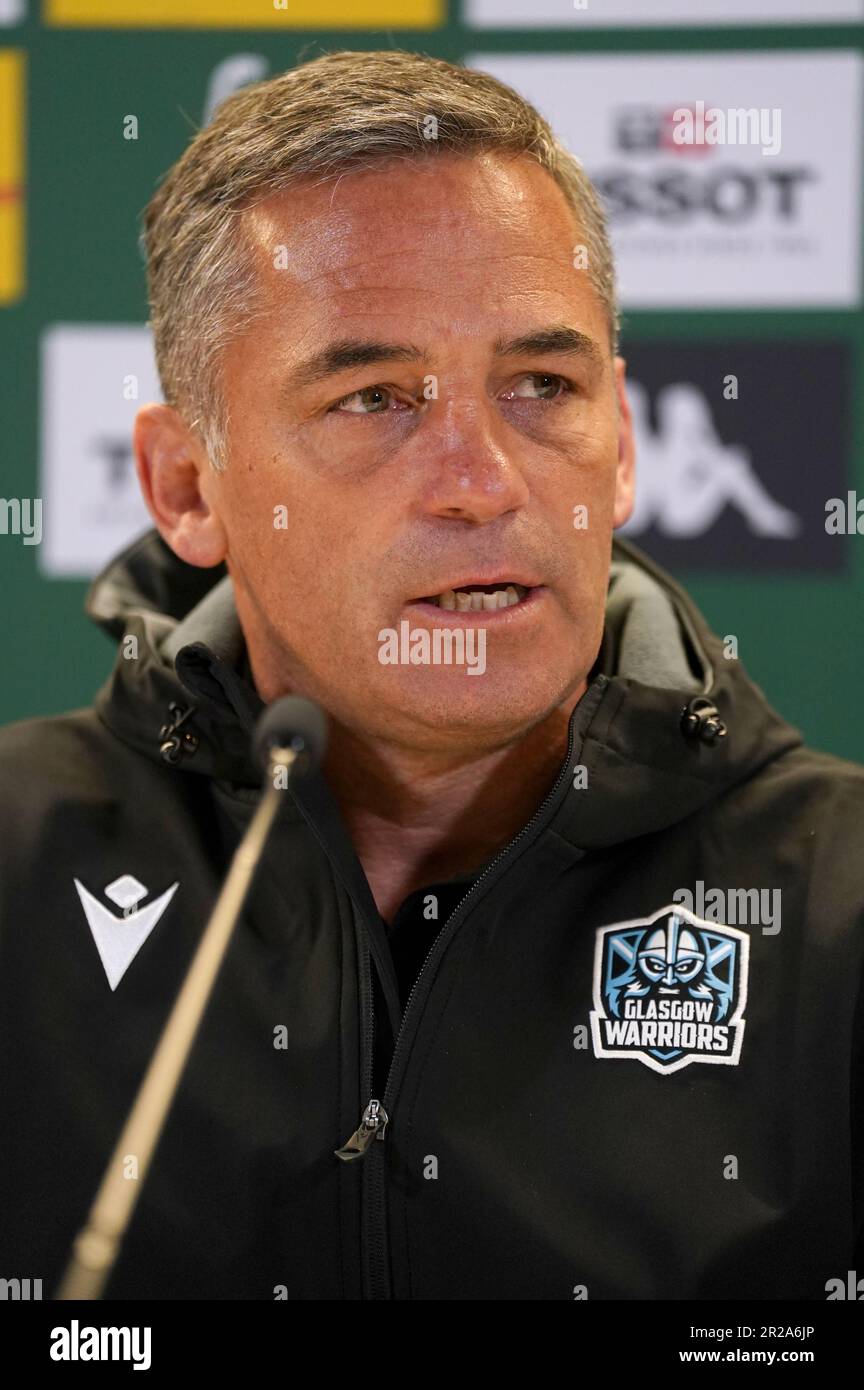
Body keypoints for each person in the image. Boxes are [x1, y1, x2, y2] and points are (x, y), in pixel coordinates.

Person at [1, 49, 861, 1302]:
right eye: (376, 398)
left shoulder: (838, 904)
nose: (483, 479)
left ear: (618, 445)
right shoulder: (18, 865)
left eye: (542, 387)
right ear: (188, 484)